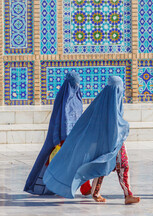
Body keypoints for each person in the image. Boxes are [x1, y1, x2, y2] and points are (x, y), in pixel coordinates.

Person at [43, 76, 140, 204]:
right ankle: (100, 193)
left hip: (117, 140)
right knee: (103, 165)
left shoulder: (111, 100)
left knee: (118, 165)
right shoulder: (102, 103)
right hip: (107, 141)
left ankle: (126, 194)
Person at [24, 71, 91, 195]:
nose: (76, 85)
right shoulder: (63, 98)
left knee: (80, 161)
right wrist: (63, 137)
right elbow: (61, 119)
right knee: (62, 164)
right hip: (63, 138)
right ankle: (48, 186)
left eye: (78, 83)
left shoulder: (77, 97)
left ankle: (85, 187)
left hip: (75, 137)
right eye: (75, 83)